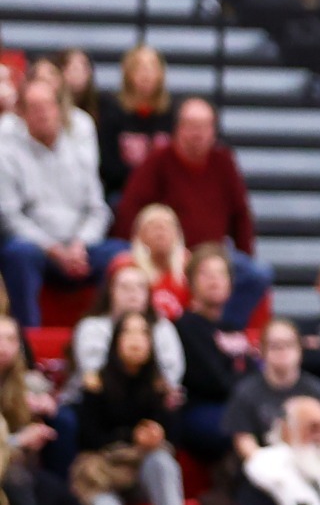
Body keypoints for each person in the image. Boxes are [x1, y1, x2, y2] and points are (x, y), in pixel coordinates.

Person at [115, 98, 271, 328]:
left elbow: (241, 214)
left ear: (213, 131)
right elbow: (131, 208)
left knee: (258, 274)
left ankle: (223, 328)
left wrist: (245, 253)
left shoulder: (223, 161)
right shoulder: (159, 160)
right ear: (178, 128)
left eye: (204, 126)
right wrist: (138, 248)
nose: (197, 133)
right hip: (173, 251)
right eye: (191, 126)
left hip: (213, 252)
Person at [73, 311, 213, 505]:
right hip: (104, 475)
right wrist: (131, 437)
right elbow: (87, 438)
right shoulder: (96, 384)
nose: (136, 339)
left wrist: (158, 434)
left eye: (143, 333)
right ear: (116, 340)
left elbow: (175, 439)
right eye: (128, 332)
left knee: (160, 460)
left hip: (140, 474)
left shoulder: (159, 386)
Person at [0, 78, 124, 326]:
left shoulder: (79, 151)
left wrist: (80, 244)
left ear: (59, 109)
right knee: (17, 253)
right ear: (22, 115)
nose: (43, 113)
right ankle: (29, 338)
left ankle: (106, 333)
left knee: (122, 254)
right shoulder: (7, 155)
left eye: (48, 106)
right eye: (35, 108)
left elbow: (98, 209)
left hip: (80, 247)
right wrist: (53, 249)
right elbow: (9, 217)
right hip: (38, 250)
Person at [173, 246, 257, 462]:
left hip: (234, 404)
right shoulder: (185, 325)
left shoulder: (232, 327)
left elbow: (254, 375)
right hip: (199, 410)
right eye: (206, 274)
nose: (214, 280)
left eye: (220, 274)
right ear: (191, 282)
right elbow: (214, 380)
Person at [223, 318, 320, 463]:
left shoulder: (317, 390)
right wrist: (270, 466)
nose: (282, 351)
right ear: (261, 350)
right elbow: (243, 440)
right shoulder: (245, 391)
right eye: (274, 346)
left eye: (288, 345)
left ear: (300, 349)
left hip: (310, 465)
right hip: (263, 468)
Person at [69, 262, 186, 397]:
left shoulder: (162, 327)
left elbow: (172, 374)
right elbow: (92, 374)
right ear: (111, 291)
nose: (133, 293)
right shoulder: (92, 326)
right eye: (125, 287)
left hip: (149, 401)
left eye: (140, 287)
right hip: (96, 401)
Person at [97, 44, 174, 200]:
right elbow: (108, 166)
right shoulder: (112, 112)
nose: (145, 75)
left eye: (151, 68)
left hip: (164, 193)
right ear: (128, 74)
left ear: (161, 74)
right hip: (123, 191)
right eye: (139, 68)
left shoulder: (172, 114)